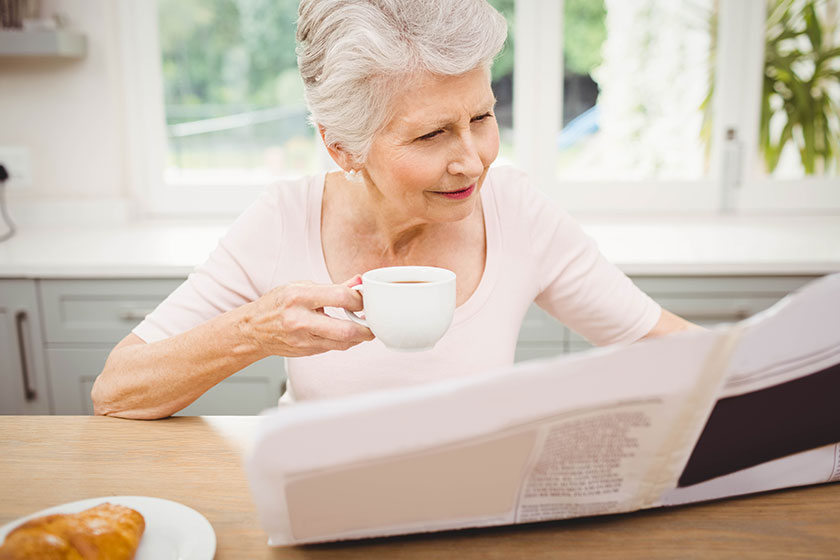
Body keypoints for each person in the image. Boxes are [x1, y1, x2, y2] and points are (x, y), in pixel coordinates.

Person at [91, 0, 698, 420]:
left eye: (482, 118)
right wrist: (257, 330)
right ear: (342, 146)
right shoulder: (283, 220)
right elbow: (117, 391)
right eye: (432, 135)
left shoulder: (516, 211)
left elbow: (668, 346)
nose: (473, 160)